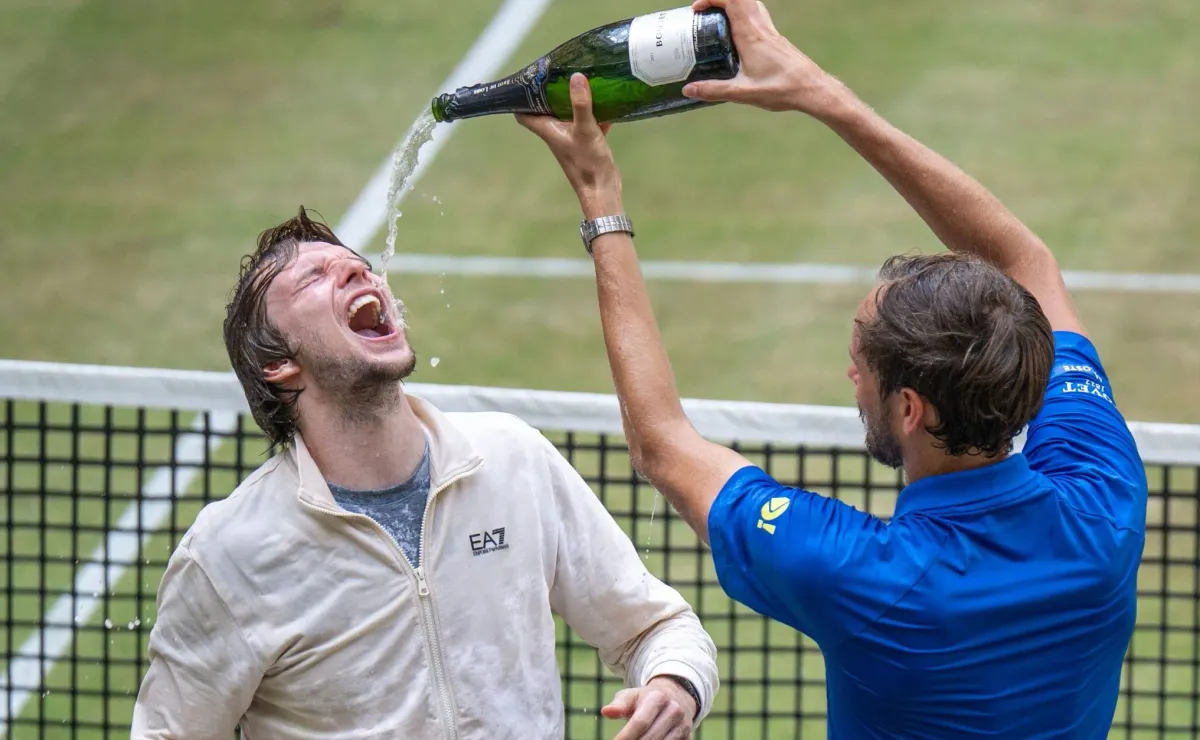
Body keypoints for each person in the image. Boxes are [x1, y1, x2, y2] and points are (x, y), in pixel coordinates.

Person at [515, 0, 1148, 735]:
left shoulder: (865, 577)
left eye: (861, 361)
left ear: (910, 409)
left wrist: (600, 201)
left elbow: (662, 443)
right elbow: (1027, 263)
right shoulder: (1105, 501)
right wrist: (823, 96)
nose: (852, 375)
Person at [130, 208, 718, 739]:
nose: (359, 274)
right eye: (313, 278)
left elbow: (655, 626)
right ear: (280, 364)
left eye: (358, 267)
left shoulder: (513, 459)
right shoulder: (229, 554)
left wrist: (674, 687)